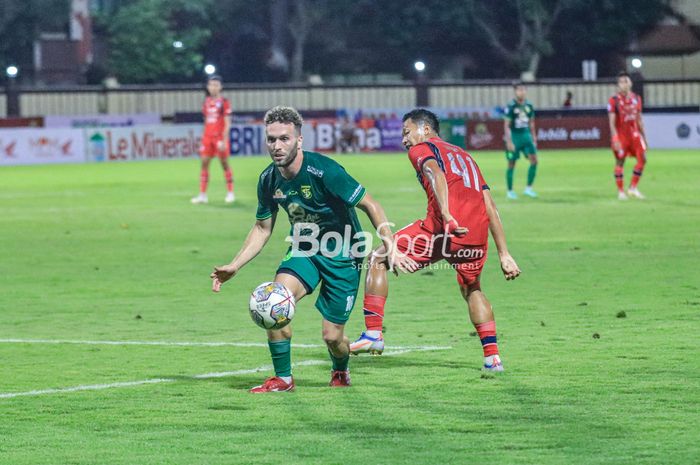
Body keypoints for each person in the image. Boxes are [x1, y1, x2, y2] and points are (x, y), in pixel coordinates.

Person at [210, 106, 412, 393]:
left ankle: (340, 369)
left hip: (344, 255)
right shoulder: (268, 179)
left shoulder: (324, 170)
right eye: (271, 140)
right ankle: (283, 378)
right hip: (304, 251)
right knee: (273, 302)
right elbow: (262, 228)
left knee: (332, 338)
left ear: (299, 140)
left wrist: (390, 245)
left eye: (284, 139)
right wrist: (235, 265)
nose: (277, 146)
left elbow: (371, 204)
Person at [350, 109, 521, 372]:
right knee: (472, 289)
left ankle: (373, 333)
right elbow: (489, 204)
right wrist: (504, 253)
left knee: (378, 257)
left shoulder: (422, 149)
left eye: (407, 132)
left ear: (425, 129)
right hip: (475, 236)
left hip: (442, 228)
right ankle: (492, 358)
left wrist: (446, 214)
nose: (405, 140)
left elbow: (434, 173)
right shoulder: (466, 157)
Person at [191, 75, 235, 204]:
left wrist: (223, 139)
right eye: (211, 85)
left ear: (220, 87)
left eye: (216, 85)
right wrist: (203, 138)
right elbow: (206, 122)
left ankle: (230, 193)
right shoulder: (206, 102)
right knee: (204, 164)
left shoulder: (224, 102)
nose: (213, 87)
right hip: (207, 138)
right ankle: (203, 195)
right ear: (208, 87)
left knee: (224, 164)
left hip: (219, 139)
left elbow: (227, 123)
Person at [608, 71, 648, 200]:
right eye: (621, 82)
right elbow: (612, 122)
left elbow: (639, 119)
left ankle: (633, 188)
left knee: (643, 159)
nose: (624, 84)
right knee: (620, 162)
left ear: (630, 83)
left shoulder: (637, 98)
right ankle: (621, 191)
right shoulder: (614, 100)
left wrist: (644, 137)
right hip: (622, 136)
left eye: (626, 81)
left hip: (635, 135)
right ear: (618, 85)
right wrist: (615, 138)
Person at [503, 82, 538, 199]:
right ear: (515, 91)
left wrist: (534, 137)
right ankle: (510, 191)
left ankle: (528, 188)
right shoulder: (511, 106)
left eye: (523, 90)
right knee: (511, 164)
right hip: (514, 137)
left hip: (526, 136)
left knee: (534, 161)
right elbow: (506, 125)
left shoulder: (529, 106)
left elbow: (531, 123)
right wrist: (508, 141)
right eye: (519, 90)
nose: (521, 92)